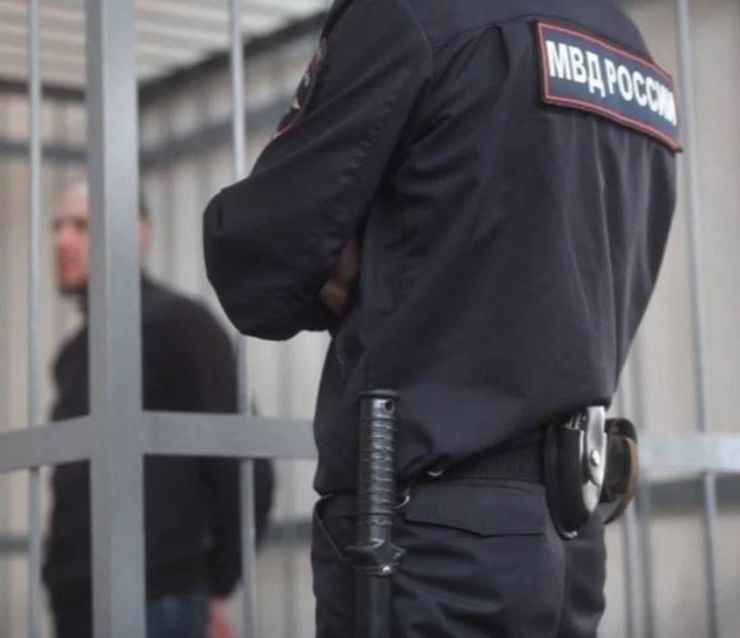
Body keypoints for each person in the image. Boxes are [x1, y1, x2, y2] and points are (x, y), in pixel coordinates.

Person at [202, 1, 678, 636]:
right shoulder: (629, 49)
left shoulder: (411, 14)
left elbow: (258, 259)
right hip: (569, 537)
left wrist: (374, 275)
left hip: (427, 540)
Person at [43, 183, 274, 638]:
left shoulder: (179, 325)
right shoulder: (73, 354)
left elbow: (245, 463)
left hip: (159, 596)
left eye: (82, 226)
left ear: (138, 233)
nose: (62, 240)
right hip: (77, 598)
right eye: (57, 226)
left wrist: (215, 585)